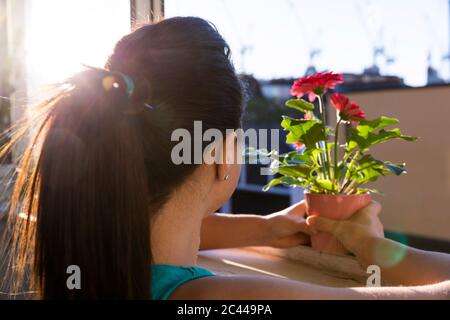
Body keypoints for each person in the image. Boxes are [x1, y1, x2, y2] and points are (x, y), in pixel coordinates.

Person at [1, 16, 449, 299]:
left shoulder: (89, 254)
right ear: (217, 155)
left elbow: (151, 224)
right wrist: (375, 248)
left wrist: (266, 228)